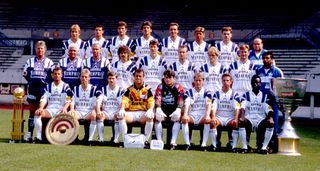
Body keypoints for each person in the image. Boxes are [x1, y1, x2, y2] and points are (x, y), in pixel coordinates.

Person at [23, 40, 55, 142]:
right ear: (35, 49)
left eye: (42, 48)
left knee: (42, 113)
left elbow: (53, 77)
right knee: (32, 113)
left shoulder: (50, 63)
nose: (40, 50)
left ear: (45, 50)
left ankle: (42, 136)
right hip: (32, 90)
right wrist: (33, 82)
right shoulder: (29, 61)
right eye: (38, 48)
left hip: (44, 92)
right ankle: (29, 135)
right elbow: (25, 75)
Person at [33, 66, 73, 143]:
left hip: (60, 110)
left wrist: (65, 108)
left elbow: (69, 99)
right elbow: (44, 99)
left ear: (61, 75)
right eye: (55, 74)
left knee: (67, 116)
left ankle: (64, 139)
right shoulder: (48, 86)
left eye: (58, 74)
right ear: (52, 75)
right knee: (37, 113)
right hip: (50, 110)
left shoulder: (65, 86)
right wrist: (41, 108)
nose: (57, 75)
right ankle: (38, 138)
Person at [118, 68, 155, 147]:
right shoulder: (130, 89)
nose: (138, 78)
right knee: (121, 116)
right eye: (136, 76)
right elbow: (124, 100)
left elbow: (151, 101)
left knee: (151, 116)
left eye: (140, 76)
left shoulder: (147, 89)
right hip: (131, 113)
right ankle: (125, 141)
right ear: (134, 77)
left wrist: (151, 109)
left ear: (143, 77)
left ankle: (145, 141)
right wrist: (122, 108)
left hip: (142, 113)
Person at [255, 51, 284, 152]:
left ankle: (273, 147)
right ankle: (260, 145)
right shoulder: (258, 71)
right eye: (264, 58)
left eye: (268, 58)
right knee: (261, 123)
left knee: (273, 125)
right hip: (262, 102)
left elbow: (281, 87)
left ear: (272, 59)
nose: (265, 60)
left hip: (273, 102)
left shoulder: (277, 72)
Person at [239, 75, 275, 154]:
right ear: (251, 83)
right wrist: (242, 116)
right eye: (254, 82)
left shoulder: (264, 96)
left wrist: (270, 117)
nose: (256, 84)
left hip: (260, 119)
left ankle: (263, 147)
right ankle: (245, 146)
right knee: (241, 122)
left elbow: (268, 108)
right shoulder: (246, 95)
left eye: (258, 83)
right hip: (249, 119)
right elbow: (243, 106)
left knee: (271, 123)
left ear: (260, 84)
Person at [181, 72, 213, 151]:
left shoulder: (207, 92)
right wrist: (185, 115)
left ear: (203, 81)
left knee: (207, 120)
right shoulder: (189, 92)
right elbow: (187, 103)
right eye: (196, 80)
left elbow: (209, 104)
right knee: (184, 120)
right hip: (192, 115)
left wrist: (207, 115)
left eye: (200, 80)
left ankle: (203, 144)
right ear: (194, 81)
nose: (198, 82)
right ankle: (187, 144)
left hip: (202, 115)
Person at [68, 69, 101, 145]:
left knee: (93, 115)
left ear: (89, 78)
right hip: (79, 111)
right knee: (71, 114)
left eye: (86, 77)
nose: (84, 79)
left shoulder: (94, 88)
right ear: (80, 78)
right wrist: (72, 109)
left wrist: (96, 110)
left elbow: (98, 101)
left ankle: (90, 139)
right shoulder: (75, 88)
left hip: (89, 111)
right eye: (82, 77)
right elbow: (72, 101)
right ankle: (74, 138)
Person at [210, 73, 241, 152]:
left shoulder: (235, 94)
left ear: (231, 82)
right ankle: (215, 144)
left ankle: (232, 145)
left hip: (229, 118)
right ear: (221, 81)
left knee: (235, 123)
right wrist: (213, 117)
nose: (225, 82)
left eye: (227, 80)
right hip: (219, 117)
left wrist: (236, 119)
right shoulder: (217, 93)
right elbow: (213, 107)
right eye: (224, 80)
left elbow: (237, 108)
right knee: (213, 122)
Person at [154, 70, 184, 149]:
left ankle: (173, 142)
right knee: (157, 117)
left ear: (173, 78)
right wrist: (158, 108)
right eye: (166, 77)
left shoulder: (178, 87)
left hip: (173, 109)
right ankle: (160, 142)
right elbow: (157, 98)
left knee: (177, 118)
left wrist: (178, 109)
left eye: (170, 77)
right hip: (163, 109)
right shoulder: (160, 86)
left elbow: (181, 100)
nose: (167, 79)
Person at [96, 71, 125, 144]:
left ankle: (115, 140)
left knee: (118, 116)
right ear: (107, 79)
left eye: (113, 78)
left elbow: (123, 103)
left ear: (116, 79)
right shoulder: (102, 89)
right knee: (100, 116)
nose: (111, 80)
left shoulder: (121, 90)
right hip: (106, 112)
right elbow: (98, 101)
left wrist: (119, 111)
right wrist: (98, 111)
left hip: (116, 111)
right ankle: (100, 139)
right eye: (109, 78)